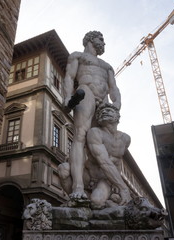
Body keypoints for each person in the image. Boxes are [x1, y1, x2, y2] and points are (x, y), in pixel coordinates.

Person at [63, 31, 121, 199]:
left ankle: (104, 183)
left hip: (104, 102)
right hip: (85, 93)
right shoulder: (77, 56)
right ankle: (78, 186)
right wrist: (67, 97)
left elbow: (114, 88)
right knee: (80, 136)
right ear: (90, 39)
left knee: (104, 142)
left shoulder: (107, 66)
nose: (103, 42)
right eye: (101, 38)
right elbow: (69, 76)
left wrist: (116, 103)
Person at [86, 102, 131, 208]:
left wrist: (116, 182)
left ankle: (107, 202)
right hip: (88, 175)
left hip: (105, 178)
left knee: (96, 201)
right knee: (63, 169)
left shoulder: (125, 139)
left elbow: (118, 161)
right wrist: (123, 188)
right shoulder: (95, 132)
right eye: (101, 111)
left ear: (117, 117)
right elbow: (104, 162)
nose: (104, 112)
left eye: (109, 110)